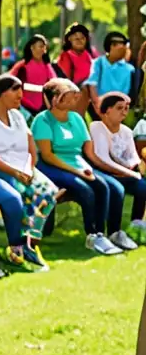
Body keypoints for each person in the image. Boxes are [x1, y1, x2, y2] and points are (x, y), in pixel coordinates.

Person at [31, 78, 132, 255]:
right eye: (70, 96)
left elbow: (89, 152)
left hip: (77, 163)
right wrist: (78, 172)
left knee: (109, 187)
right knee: (85, 189)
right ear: (55, 99)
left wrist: (100, 170)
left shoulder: (77, 118)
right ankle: (93, 235)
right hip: (51, 165)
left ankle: (109, 233)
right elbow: (47, 155)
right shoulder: (42, 120)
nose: (75, 99)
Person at [0, 74, 57, 271]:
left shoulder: (18, 116)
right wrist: (13, 172)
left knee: (49, 191)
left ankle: (28, 243)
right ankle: (17, 246)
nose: (20, 94)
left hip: (21, 168)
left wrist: (29, 169)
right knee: (25, 196)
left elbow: (30, 146)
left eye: (21, 89)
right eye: (15, 89)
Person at [89, 92, 146, 231]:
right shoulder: (96, 127)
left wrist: (131, 167)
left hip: (123, 173)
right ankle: (114, 231)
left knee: (143, 187)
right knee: (117, 189)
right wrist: (127, 171)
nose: (124, 112)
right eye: (119, 108)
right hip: (101, 172)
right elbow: (102, 159)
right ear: (108, 110)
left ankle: (137, 225)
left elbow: (132, 156)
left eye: (126, 108)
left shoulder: (126, 131)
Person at [87, 32, 136, 118]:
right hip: (100, 108)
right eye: (121, 47)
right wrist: (98, 108)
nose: (124, 50)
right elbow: (92, 86)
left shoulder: (130, 69)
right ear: (111, 46)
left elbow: (130, 94)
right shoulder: (98, 63)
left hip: (121, 109)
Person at [10, 34, 57, 116]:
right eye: (40, 46)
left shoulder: (47, 66)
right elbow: (10, 81)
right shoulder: (22, 65)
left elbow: (54, 82)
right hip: (23, 107)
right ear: (32, 47)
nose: (43, 49)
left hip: (43, 106)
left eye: (44, 47)